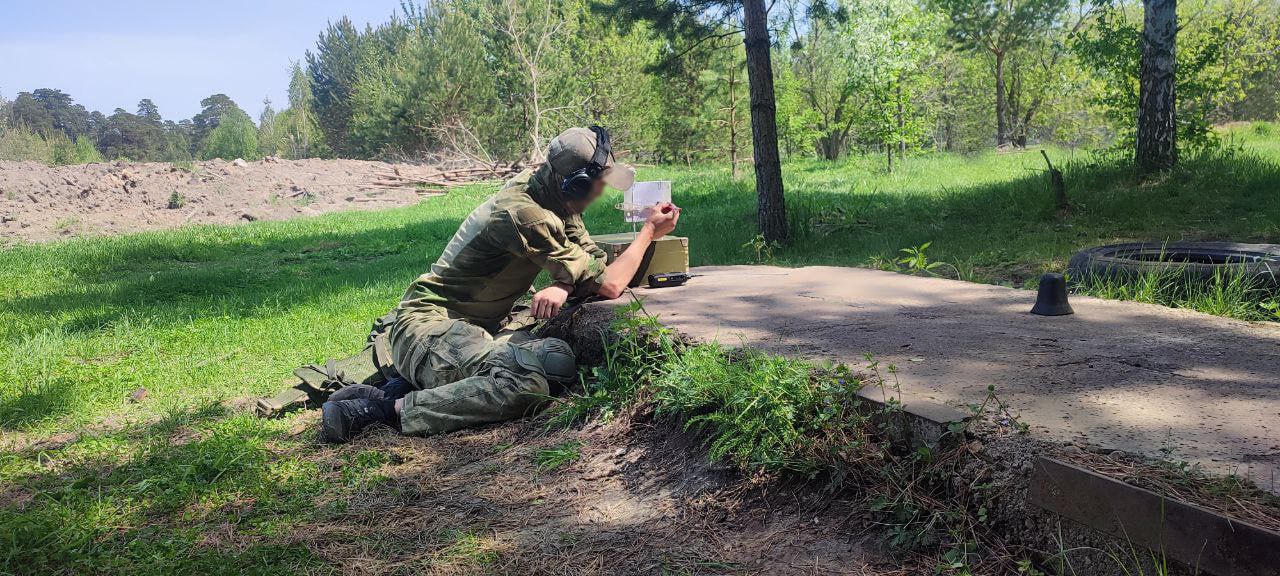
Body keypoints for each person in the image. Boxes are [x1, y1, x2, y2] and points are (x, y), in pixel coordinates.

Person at [319, 126, 681, 443]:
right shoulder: (526, 213)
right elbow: (609, 285)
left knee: (556, 359)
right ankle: (384, 410)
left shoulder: (551, 194)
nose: (601, 193)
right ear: (577, 183)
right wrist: (649, 231)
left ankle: (402, 385)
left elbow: (591, 264)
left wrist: (567, 285)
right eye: (598, 185)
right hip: (427, 327)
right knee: (524, 383)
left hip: (475, 329)